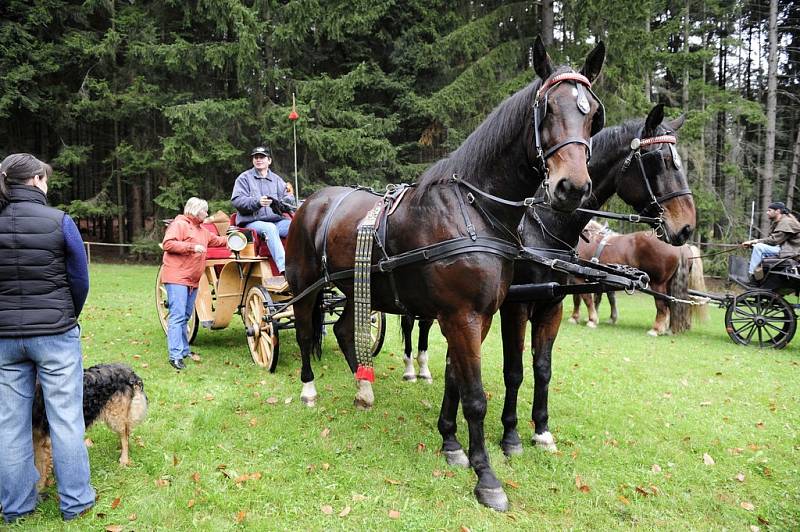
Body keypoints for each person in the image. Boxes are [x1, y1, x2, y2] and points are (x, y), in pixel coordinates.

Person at [0, 153, 95, 522]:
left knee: (10, 424)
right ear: (37, 179)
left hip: (5, 339)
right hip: (56, 334)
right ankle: (75, 501)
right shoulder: (60, 222)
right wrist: (67, 315)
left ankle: (17, 506)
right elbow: (80, 280)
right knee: (66, 418)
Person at [161, 197, 228, 370]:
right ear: (195, 210)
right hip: (177, 277)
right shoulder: (179, 224)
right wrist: (191, 247)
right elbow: (168, 244)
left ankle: (184, 350)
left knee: (184, 316)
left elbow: (219, 241)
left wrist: (236, 238)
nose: (207, 214)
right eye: (204, 211)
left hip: (193, 279)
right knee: (177, 316)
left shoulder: (202, 230)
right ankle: (175, 356)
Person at [231, 146, 291, 282]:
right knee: (270, 228)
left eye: (262, 157)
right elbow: (237, 200)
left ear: (269, 160)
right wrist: (257, 202)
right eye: (256, 157)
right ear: (253, 160)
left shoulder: (277, 180)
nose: (258, 160)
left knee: (296, 226)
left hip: (277, 220)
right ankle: (285, 270)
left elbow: (288, 198)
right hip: (252, 221)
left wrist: (285, 202)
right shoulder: (244, 178)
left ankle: (304, 264)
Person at [742, 201, 800, 279]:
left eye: (769, 210)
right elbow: (773, 241)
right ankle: (761, 276)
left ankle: (753, 277)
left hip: (792, 252)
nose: (767, 212)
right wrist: (752, 244)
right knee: (758, 247)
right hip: (786, 249)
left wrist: (754, 241)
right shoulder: (781, 221)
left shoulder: (786, 222)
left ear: (778, 211)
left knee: (759, 247)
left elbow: (774, 241)